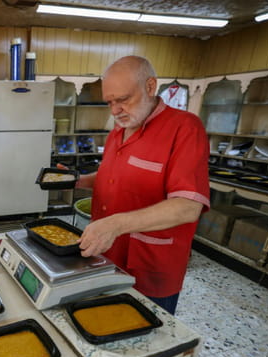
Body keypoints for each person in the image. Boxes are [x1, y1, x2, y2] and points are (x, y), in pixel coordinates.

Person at [74, 56, 210, 315]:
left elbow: (188, 206)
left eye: (123, 99)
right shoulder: (118, 130)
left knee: (147, 341)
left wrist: (115, 224)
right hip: (106, 256)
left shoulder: (184, 128)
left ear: (150, 86)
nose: (115, 110)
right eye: (110, 102)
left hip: (150, 266)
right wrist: (77, 181)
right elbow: (112, 177)